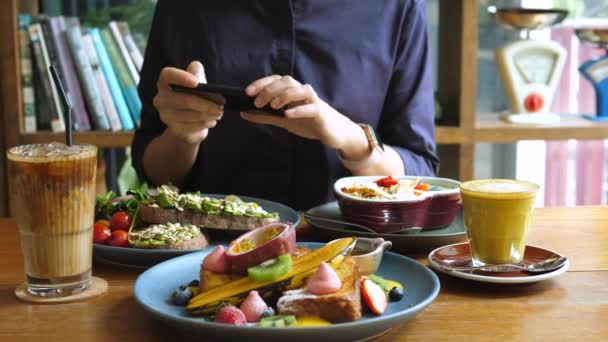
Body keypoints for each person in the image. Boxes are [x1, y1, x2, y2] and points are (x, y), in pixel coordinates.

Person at [132, 0, 439, 211]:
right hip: (205, 247)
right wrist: (183, 136)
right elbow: (155, 173)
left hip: (352, 246)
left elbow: (419, 170)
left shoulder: (397, 7)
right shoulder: (182, 8)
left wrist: (349, 138)